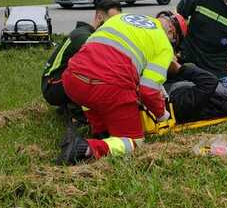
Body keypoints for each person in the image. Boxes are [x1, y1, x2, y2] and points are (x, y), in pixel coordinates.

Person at [57, 11, 186, 164]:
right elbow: (148, 90)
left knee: (94, 100)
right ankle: (87, 147)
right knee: (135, 142)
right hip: (108, 86)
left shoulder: (121, 18)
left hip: (72, 78)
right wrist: (162, 115)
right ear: (172, 32)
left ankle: (101, 132)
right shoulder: (164, 45)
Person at [41, 0, 122, 119]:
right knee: (100, 76)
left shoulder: (88, 34)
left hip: (57, 84)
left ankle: (71, 107)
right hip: (52, 86)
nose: (116, 27)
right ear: (99, 18)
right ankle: (80, 114)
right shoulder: (84, 37)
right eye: (112, 22)